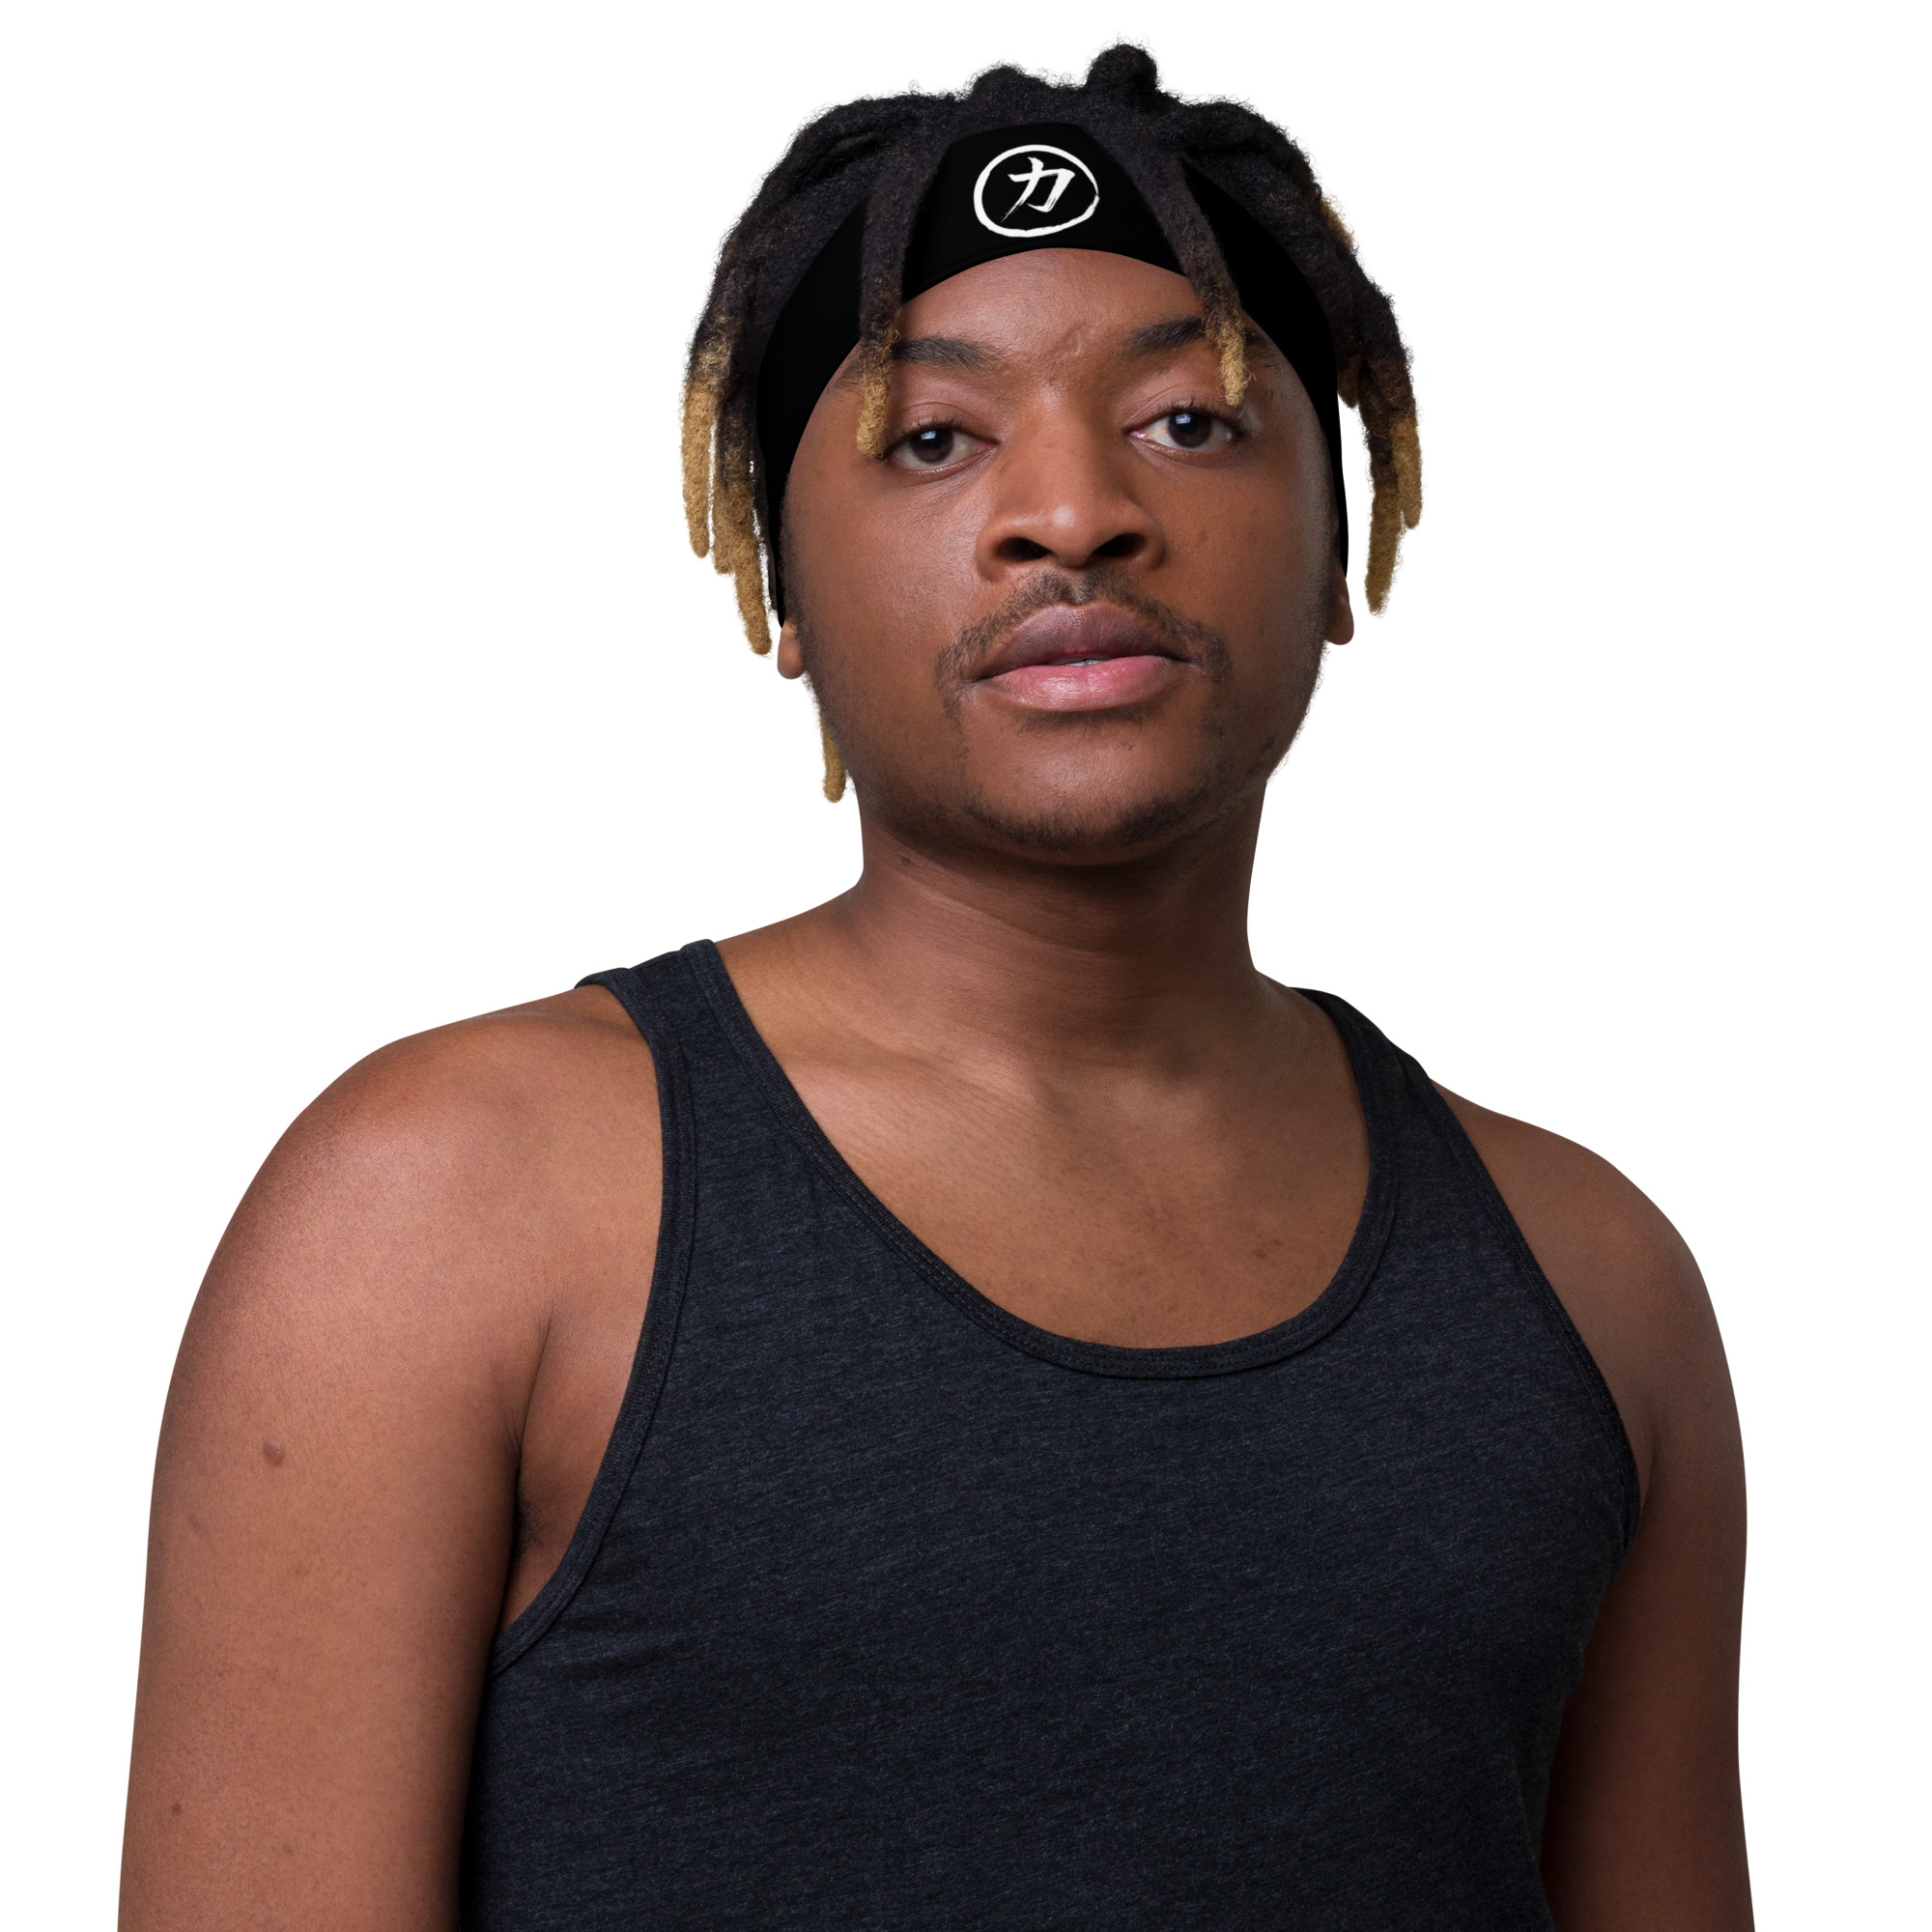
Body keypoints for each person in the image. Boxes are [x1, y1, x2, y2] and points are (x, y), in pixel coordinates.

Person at [120, 46, 1751, 1931]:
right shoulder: (447, 1207)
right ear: (778, 581)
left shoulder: (1589, 1282)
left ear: (1339, 538)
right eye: (933, 438)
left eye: (1189, 420)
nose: (1072, 512)